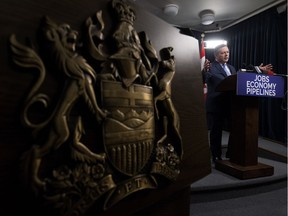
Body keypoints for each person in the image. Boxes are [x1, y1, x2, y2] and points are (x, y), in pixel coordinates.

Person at [202, 44, 273, 162]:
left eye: (227, 52)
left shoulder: (232, 68)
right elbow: (204, 79)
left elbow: (239, 80)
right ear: (216, 55)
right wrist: (204, 70)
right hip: (216, 105)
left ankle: (231, 152)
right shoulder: (211, 67)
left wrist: (258, 70)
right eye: (222, 53)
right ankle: (216, 155)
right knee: (216, 132)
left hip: (232, 105)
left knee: (235, 129)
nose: (226, 55)